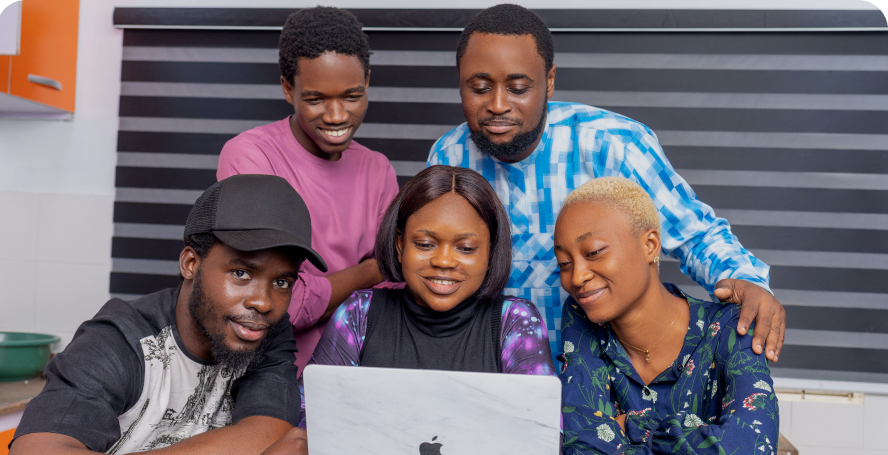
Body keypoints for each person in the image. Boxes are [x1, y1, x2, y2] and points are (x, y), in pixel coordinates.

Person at [427, 4, 785, 365]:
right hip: (491, 373)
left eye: (518, 87)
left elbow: (695, 235)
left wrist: (745, 281)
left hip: (606, 378)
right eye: (479, 88)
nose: (497, 104)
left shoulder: (613, 146)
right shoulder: (448, 156)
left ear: (549, 81)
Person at [1, 175, 323, 455]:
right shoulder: (118, 339)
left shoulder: (264, 330)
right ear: (191, 264)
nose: (264, 302)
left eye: (282, 282)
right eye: (241, 273)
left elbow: (267, 437)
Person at [555, 177, 836, 455]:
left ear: (650, 245)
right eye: (564, 264)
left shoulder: (731, 328)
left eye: (593, 252)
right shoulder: (581, 316)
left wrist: (635, 427)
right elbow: (581, 452)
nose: (576, 277)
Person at [218, 6, 400, 372]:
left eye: (352, 96)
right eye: (316, 99)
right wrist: (370, 271)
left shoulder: (377, 169)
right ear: (289, 88)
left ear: (367, 81)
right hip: (270, 375)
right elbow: (277, 301)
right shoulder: (250, 156)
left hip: (357, 374)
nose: (337, 116)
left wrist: (329, 288)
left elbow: (395, 291)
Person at [300, 165, 555, 424]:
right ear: (400, 245)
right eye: (425, 244)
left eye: (466, 248)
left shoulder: (515, 320)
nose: (443, 261)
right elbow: (310, 422)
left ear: (490, 252)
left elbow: (541, 438)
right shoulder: (359, 313)